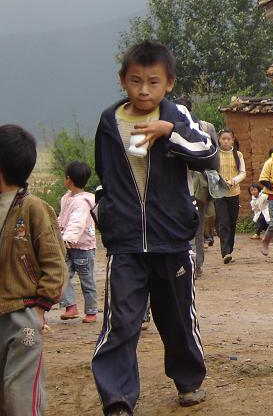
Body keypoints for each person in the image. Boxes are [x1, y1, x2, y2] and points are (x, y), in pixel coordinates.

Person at [91, 40, 218, 414]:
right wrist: (107, 211)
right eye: (135, 81)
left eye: (153, 82)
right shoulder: (109, 120)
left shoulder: (175, 115)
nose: (144, 90)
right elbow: (106, 172)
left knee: (177, 318)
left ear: (169, 83)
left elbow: (208, 155)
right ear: (122, 80)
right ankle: (117, 398)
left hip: (172, 240)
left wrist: (170, 131)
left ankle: (188, 380)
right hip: (126, 242)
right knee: (122, 322)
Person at [0, 124, 66, 415]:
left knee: (20, 395)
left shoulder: (33, 208)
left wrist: (41, 308)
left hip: (23, 315)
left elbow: (55, 262)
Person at [174, 97, 219, 278]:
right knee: (198, 226)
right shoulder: (206, 127)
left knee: (182, 227)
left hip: (181, 186)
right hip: (199, 186)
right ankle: (196, 264)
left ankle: (187, 264)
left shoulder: (170, 126)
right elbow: (214, 158)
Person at [58, 161, 98, 323]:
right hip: (68, 247)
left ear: (68, 179)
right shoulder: (67, 198)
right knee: (62, 276)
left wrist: (67, 239)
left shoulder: (81, 202)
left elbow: (77, 223)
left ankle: (92, 311)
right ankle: (70, 307)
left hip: (83, 248)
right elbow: (63, 219)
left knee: (87, 280)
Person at [215, 127, 246, 264]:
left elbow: (243, 172)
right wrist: (221, 181)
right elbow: (211, 172)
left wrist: (234, 181)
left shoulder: (237, 155)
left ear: (233, 140)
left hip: (234, 192)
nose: (226, 141)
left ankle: (230, 249)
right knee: (223, 222)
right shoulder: (215, 154)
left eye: (228, 139)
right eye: (223, 139)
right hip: (219, 192)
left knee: (232, 222)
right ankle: (225, 252)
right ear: (219, 140)